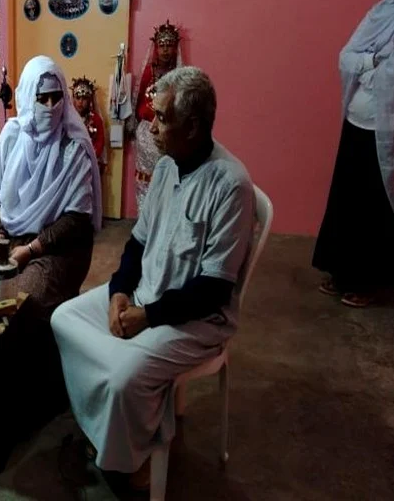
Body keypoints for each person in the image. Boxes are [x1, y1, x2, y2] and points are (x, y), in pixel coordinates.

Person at [51, 67, 256, 492]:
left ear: (193, 125)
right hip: (145, 296)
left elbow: (213, 289)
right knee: (63, 319)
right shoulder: (167, 166)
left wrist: (148, 317)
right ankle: (109, 432)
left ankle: (126, 465)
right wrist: (119, 293)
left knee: (125, 376)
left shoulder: (231, 186)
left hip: (196, 320)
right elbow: (137, 245)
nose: (153, 124)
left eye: (162, 117)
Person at [0, 55, 103, 432]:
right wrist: (0, 237)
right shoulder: (13, 137)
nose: (50, 107)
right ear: (25, 97)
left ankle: (37, 397)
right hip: (13, 235)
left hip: (59, 248)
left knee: (21, 303)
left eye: (56, 98)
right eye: (42, 98)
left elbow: (77, 220)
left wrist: (30, 250)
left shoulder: (74, 147)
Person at [313, 0, 394, 308]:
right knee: (348, 201)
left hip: (388, 128)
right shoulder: (379, 12)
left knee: (375, 205)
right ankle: (340, 271)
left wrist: (373, 64)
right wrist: (372, 63)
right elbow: (346, 55)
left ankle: (368, 282)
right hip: (357, 119)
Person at [129, 20, 183, 213]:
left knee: (167, 176)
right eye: (162, 45)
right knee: (144, 178)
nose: (166, 50)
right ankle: (145, 216)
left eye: (169, 45)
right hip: (146, 134)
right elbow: (138, 100)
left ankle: (163, 216)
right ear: (156, 47)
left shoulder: (179, 75)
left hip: (167, 133)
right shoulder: (149, 72)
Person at [71, 76, 106, 171]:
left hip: (90, 163)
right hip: (70, 163)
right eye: (77, 98)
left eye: (84, 98)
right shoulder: (69, 118)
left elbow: (100, 141)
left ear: (89, 100)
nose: (80, 102)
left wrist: (89, 156)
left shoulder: (95, 119)